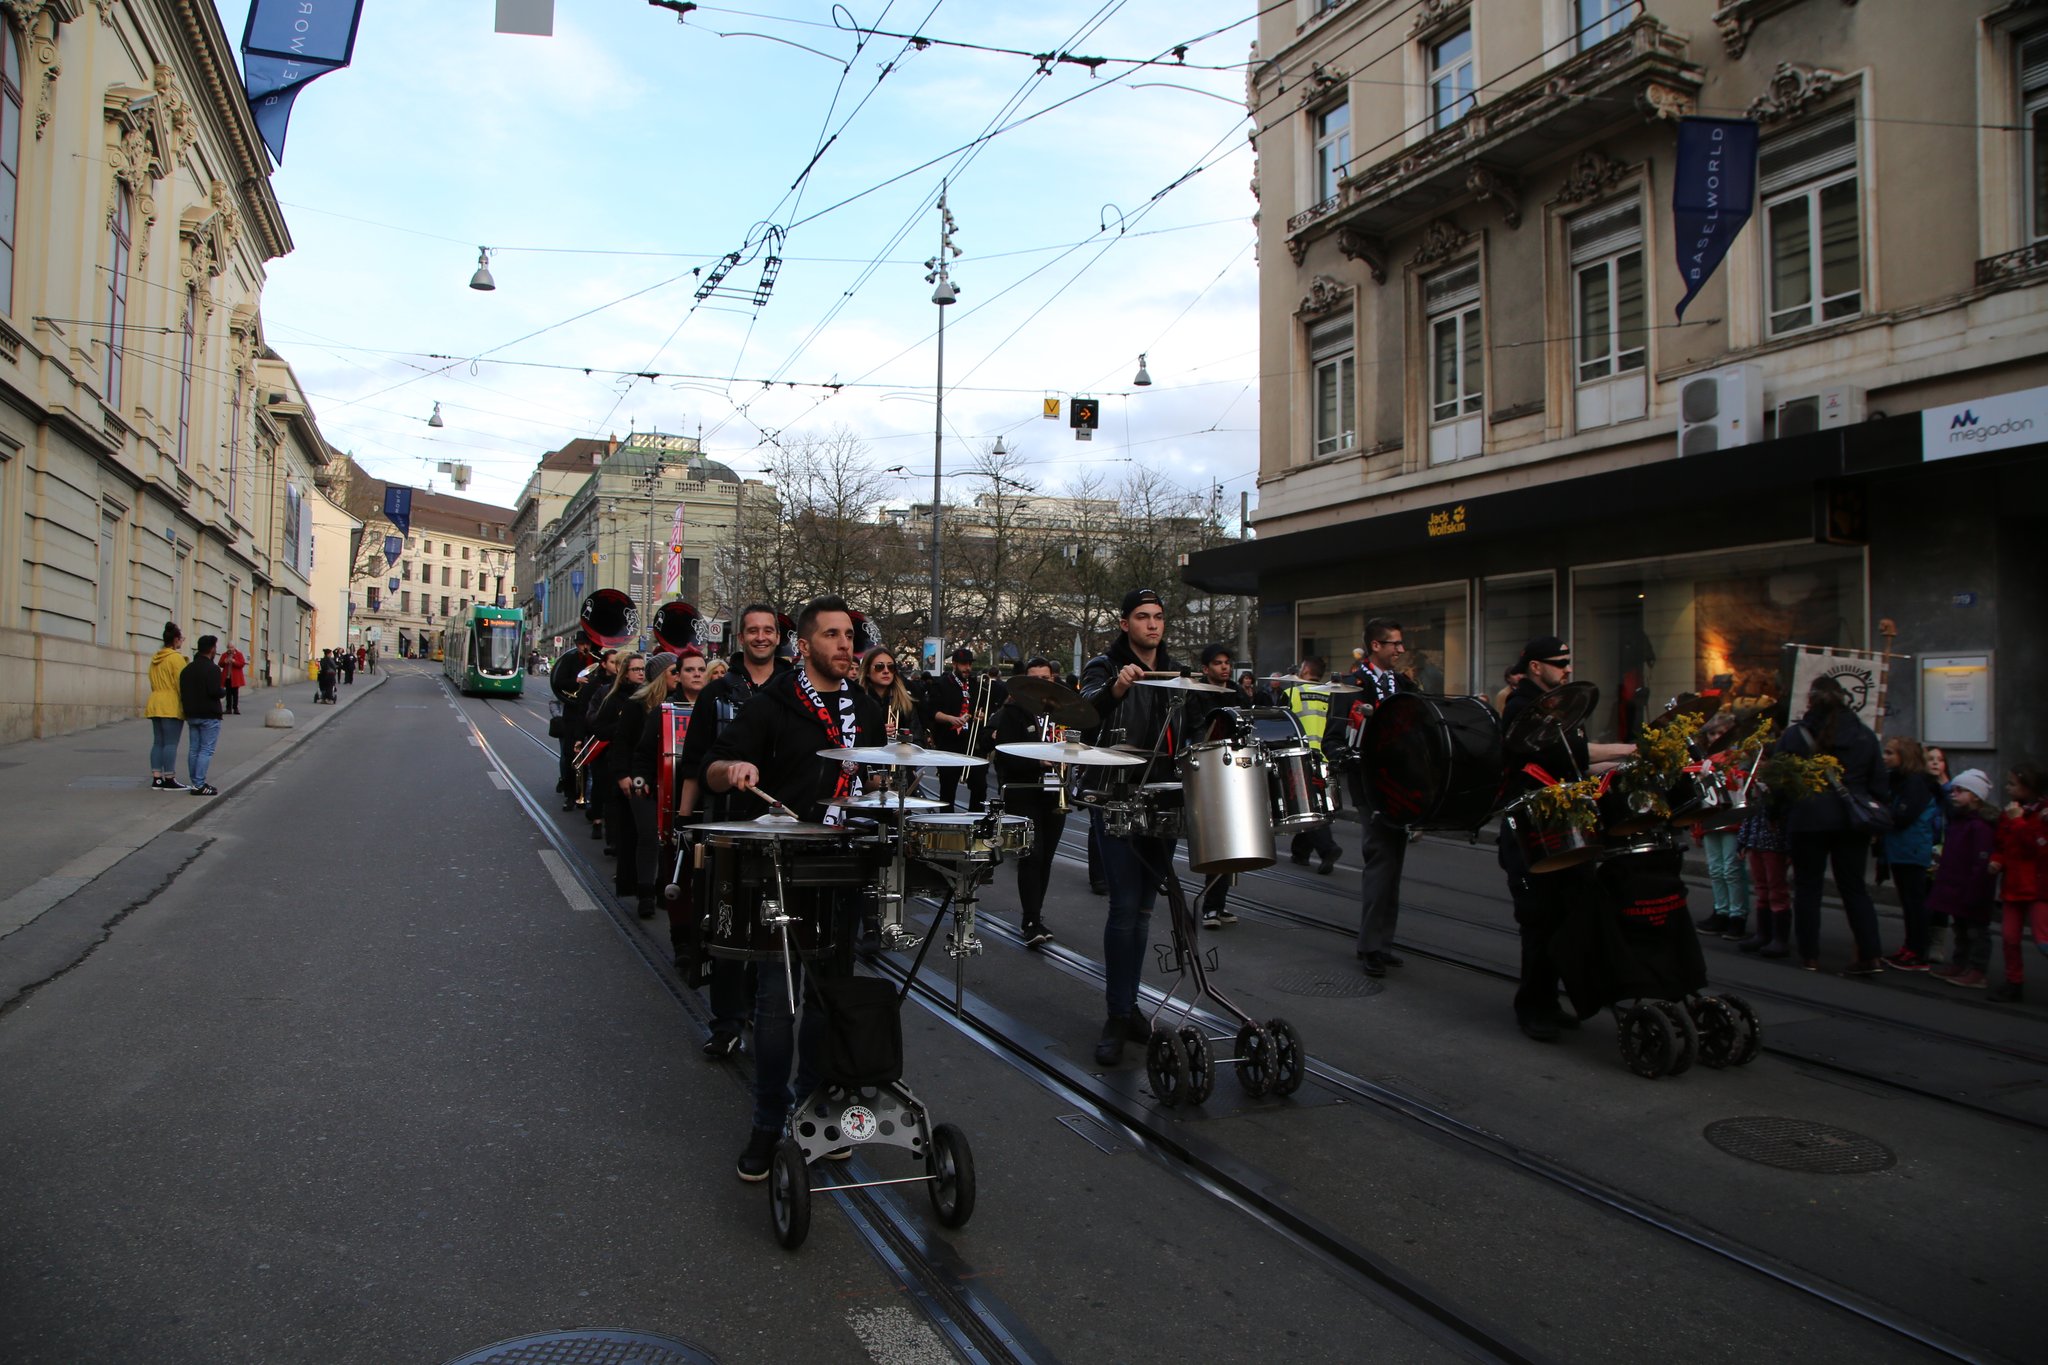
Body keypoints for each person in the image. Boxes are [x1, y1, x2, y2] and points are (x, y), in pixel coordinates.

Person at [706, 595, 885, 1181]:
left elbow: (872, 776)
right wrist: (734, 770)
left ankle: (815, 1111)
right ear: (804, 645)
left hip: (845, 864)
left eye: (849, 635)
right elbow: (714, 765)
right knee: (777, 1004)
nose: (845, 645)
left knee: (829, 1000)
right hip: (784, 866)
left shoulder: (865, 706)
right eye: (832, 635)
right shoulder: (773, 702)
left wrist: (881, 788)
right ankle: (766, 1121)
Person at [1497, 637, 1635, 1041]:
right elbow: (1567, 752)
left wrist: (1621, 760)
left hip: (1562, 825)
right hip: (1533, 830)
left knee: (1567, 917)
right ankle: (1533, 1007)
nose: (1567, 669)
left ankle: (1552, 1000)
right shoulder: (1523, 707)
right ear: (1535, 667)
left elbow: (1573, 762)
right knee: (1539, 921)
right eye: (1559, 663)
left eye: (1568, 661)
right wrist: (1627, 749)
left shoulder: (1556, 703)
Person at [1078, 588, 1183, 1065]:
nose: (1152, 624)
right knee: (1123, 908)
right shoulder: (1104, 666)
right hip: (1116, 794)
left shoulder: (1176, 670)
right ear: (1125, 623)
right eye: (1142, 617)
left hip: (1164, 796)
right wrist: (1117, 687)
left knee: (1143, 910)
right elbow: (1085, 714)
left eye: (1158, 616)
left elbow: (1195, 727)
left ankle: (1129, 1004)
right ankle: (1118, 1014)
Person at [677, 604, 787, 1057]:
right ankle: (727, 1023)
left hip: (783, 827)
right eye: (752, 630)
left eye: (768, 630)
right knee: (726, 927)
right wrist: (684, 821)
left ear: (778, 636)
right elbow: (695, 761)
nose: (761, 637)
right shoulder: (716, 692)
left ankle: (766, 1011)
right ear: (741, 638)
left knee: (775, 925)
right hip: (727, 823)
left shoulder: (796, 687)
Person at [1775, 675, 1889, 975]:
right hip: (1851, 820)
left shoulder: (1795, 735)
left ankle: (1809, 955)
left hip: (1807, 818)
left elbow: (1778, 781)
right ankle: (1871, 954)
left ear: (1810, 702)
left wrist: (1779, 814)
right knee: (1854, 888)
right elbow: (1879, 782)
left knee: (1807, 888)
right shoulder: (1864, 736)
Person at [1346, 618, 1417, 976]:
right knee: (1381, 860)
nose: (1400, 650)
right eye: (1394, 644)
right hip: (1371, 783)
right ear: (1376, 646)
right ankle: (1371, 946)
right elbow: (1338, 736)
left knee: (1393, 863)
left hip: (1399, 783)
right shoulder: (1353, 685)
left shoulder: (1401, 684)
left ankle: (1383, 943)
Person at [992, 657, 1070, 946]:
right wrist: (1037, 760)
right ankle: (1030, 920)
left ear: (1053, 680)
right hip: (1024, 791)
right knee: (1032, 856)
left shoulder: (1063, 712)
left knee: (1046, 857)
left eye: (1045, 678)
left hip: (1053, 791)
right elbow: (1004, 755)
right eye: (1033, 678)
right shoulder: (1013, 712)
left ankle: (1036, 914)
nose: (1040, 683)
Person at [592, 652, 652, 913]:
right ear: (625, 673)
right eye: (635, 669)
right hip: (618, 763)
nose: (640, 673)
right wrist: (621, 725)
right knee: (623, 818)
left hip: (639, 767)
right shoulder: (613, 698)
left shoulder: (648, 697)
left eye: (642, 669)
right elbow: (599, 728)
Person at [1930, 769, 2001, 989]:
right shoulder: (1959, 820)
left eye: (1960, 790)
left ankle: (1977, 970)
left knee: (1976, 930)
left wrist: (1974, 889)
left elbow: (1980, 862)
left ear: (1976, 796)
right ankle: (1960, 963)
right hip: (1956, 886)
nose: (1954, 794)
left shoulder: (1980, 826)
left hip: (1973, 888)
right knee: (1960, 928)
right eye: (1953, 789)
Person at [1188, 643, 1242, 929]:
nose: (1225, 667)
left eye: (1227, 663)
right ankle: (1211, 906)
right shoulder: (1197, 695)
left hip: (1237, 768)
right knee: (1219, 839)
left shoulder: (1237, 692)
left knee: (1232, 840)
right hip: (1210, 769)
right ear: (1206, 668)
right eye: (1219, 663)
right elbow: (1195, 730)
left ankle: (1217, 904)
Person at [1879, 737, 1943, 971]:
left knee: (1915, 902)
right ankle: (1910, 946)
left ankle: (1918, 951)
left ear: (1904, 756)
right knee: (1908, 902)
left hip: (1912, 849)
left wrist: (1882, 814)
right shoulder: (1898, 780)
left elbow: (1903, 816)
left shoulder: (1915, 783)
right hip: (1901, 848)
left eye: (1890, 753)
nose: (1885, 757)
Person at [1989, 763, 2048, 1003]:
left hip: (2038, 888)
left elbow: (2037, 846)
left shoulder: (2042, 814)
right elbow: (2002, 844)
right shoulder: (2010, 813)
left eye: (2012, 784)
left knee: (2043, 941)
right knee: (2009, 937)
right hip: (2013, 885)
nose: (2007, 788)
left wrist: (2018, 822)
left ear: (2028, 787)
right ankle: (2014, 982)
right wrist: (1996, 860)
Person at [1284, 656, 1341, 874]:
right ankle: (1300, 852)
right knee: (1316, 804)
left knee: (1310, 807)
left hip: (1302, 758)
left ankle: (1328, 849)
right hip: (1326, 757)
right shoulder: (1331, 695)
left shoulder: (1293, 693)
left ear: (1305, 670)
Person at [926, 648, 997, 811]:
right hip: (949, 742)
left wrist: (980, 715)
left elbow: (984, 707)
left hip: (972, 742)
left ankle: (975, 820)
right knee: (948, 789)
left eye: (970, 664)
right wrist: (951, 718)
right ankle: (946, 823)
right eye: (964, 664)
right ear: (954, 664)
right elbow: (932, 712)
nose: (968, 668)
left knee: (980, 786)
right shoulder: (942, 684)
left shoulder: (975, 685)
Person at [550, 638, 595, 813]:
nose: (586, 647)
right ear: (577, 644)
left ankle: (583, 794)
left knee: (588, 758)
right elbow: (558, 682)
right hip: (573, 713)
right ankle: (570, 795)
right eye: (583, 644)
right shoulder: (570, 659)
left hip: (589, 715)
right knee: (570, 756)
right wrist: (577, 680)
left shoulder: (596, 660)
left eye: (588, 644)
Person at [178, 635, 225, 797]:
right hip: (209, 714)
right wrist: (223, 691)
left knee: (194, 749)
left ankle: (195, 782)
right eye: (215, 647)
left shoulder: (187, 669)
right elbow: (214, 691)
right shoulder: (212, 669)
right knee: (206, 750)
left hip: (192, 714)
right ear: (212, 649)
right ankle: (199, 784)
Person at [146, 623, 187, 791]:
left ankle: (157, 778)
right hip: (170, 703)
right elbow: (181, 683)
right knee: (171, 743)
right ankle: (170, 778)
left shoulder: (155, 658)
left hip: (155, 701)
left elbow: (151, 680)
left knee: (158, 742)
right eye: (182, 639)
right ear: (176, 640)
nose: (182, 641)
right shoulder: (176, 658)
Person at [859, 646, 924, 744]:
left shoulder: (905, 702)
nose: (886, 671)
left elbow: (918, 740)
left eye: (891, 667)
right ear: (867, 672)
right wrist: (877, 734)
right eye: (879, 667)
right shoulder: (856, 701)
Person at [218, 640, 247, 716]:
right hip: (227, 677)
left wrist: (234, 661)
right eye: (229, 647)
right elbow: (220, 664)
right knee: (228, 693)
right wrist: (224, 661)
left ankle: (235, 708)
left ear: (234, 647)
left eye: (232, 647)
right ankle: (228, 708)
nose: (230, 649)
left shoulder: (239, 654)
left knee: (235, 693)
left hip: (235, 677)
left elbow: (242, 664)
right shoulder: (224, 654)